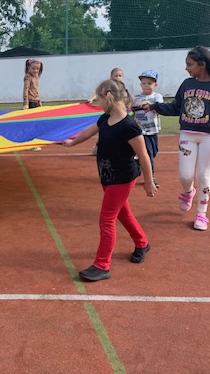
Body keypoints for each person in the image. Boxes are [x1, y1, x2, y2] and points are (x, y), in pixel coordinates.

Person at [63, 78, 156, 282]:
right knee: (123, 213)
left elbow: (144, 155)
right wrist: (71, 143)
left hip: (122, 179)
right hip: (107, 177)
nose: (98, 103)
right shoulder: (105, 119)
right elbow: (88, 132)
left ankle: (102, 265)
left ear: (108, 98)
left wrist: (149, 182)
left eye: (99, 99)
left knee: (106, 219)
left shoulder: (129, 127)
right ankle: (142, 243)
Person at [143, 46, 210, 231]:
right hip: (187, 134)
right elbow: (176, 107)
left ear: (202, 65)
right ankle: (188, 191)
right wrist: (155, 107)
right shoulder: (187, 84)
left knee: (203, 174)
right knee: (185, 176)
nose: (186, 68)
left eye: (190, 64)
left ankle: (202, 213)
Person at [132, 70, 163, 187]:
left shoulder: (157, 97)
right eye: (144, 83)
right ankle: (151, 177)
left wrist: (149, 104)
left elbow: (160, 109)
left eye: (149, 83)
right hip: (140, 131)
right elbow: (132, 113)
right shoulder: (136, 98)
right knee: (148, 155)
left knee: (154, 151)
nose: (146, 86)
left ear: (155, 85)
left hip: (152, 131)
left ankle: (138, 161)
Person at [88, 67, 125, 155]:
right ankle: (98, 146)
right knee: (103, 129)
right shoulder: (108, 86)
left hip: (119, 114)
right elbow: (100, 94)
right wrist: (92, 99)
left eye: (120, 76)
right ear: (111, 76)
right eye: (116, 75)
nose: (118, 77)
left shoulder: (121, 88)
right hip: (110, 113)